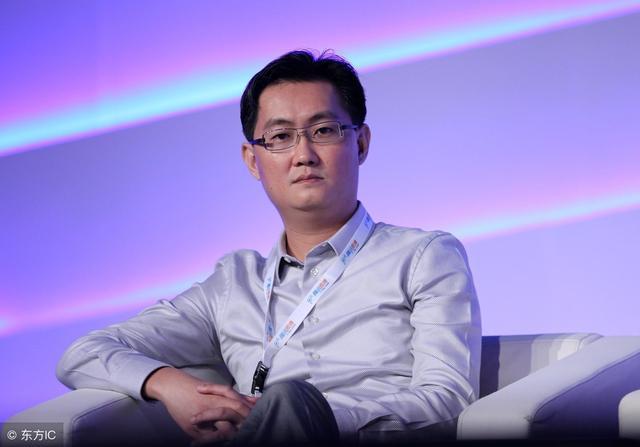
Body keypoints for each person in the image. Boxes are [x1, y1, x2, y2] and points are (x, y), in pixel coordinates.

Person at [57, 49, 481, 446]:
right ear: (252, 160)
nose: (303, 154)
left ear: (361, 143)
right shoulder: (232, 285)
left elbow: (447, 399)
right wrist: (171, 386)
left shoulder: (423, 256)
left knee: (290, 400)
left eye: (323, 130)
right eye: (280, 136)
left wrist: (314, 418)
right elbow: (84, 354)